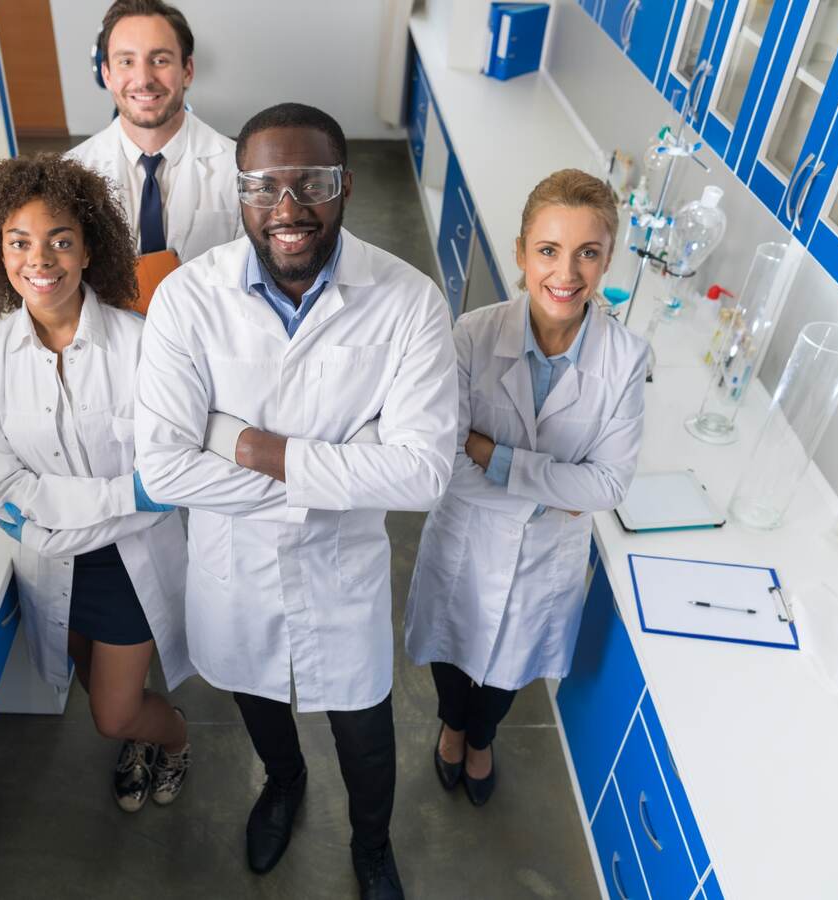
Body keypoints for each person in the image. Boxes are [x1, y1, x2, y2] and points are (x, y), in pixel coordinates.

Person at [134, 102, 457, 900]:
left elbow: (422, 475)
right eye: (264, 185)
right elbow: (165, 471)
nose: (288, 208)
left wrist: (250, 445)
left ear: (344, 186)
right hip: (234, 568)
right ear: (239, 192)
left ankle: (373, 845)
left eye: (311, 182)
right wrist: (343, 468)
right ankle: (283, 783)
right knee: (256, 694)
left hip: (341, 575)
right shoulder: (187, 300)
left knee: (366, 729)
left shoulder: (408, 300)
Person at [0, 153, 194, 815]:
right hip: (55, 566)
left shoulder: (146, 347)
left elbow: (166, 480)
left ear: (89, 249)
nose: (42, 259)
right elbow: (4, 489)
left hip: (127, 564)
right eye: (19, 243)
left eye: (61, 240)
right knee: (95, 686)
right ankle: (145, 736)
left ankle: (172, 738)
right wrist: (125, 496)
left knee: (113, 715)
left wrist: (48, 511)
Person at [405, 169, 649, 806]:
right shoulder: (470, 337)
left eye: (587, 253)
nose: (565, 273)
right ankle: (453, 730)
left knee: (509, 672)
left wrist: (494, 455)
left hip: (544, 562)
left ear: (606, 260)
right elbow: (446, 461)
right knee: (453, 654)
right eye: (548, 250)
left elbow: (609, 484)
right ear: (520, 252)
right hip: (467, 538)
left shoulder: (625, 360)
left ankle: (481, 740)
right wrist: (554, 492)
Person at [68, 0, 241, 263]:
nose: (144, 79)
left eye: (160, 60)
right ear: (107, 75)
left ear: (187, 71)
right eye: (126, 61)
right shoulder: (71, 172)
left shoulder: (238, 168)